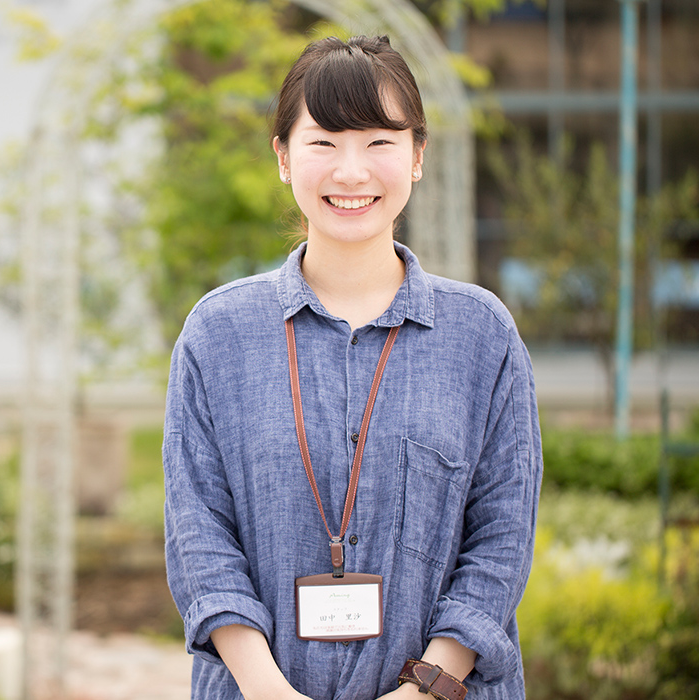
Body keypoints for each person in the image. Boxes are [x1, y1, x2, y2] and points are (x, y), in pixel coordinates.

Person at [162, 35, 542, 700]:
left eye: (379, 142)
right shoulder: (217, 334)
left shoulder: (483, 336)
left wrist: (426, 687)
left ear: (418, 156)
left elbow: (502, 536)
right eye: (324, 142)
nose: (351, 171)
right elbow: (199, 535)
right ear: (282, 156)